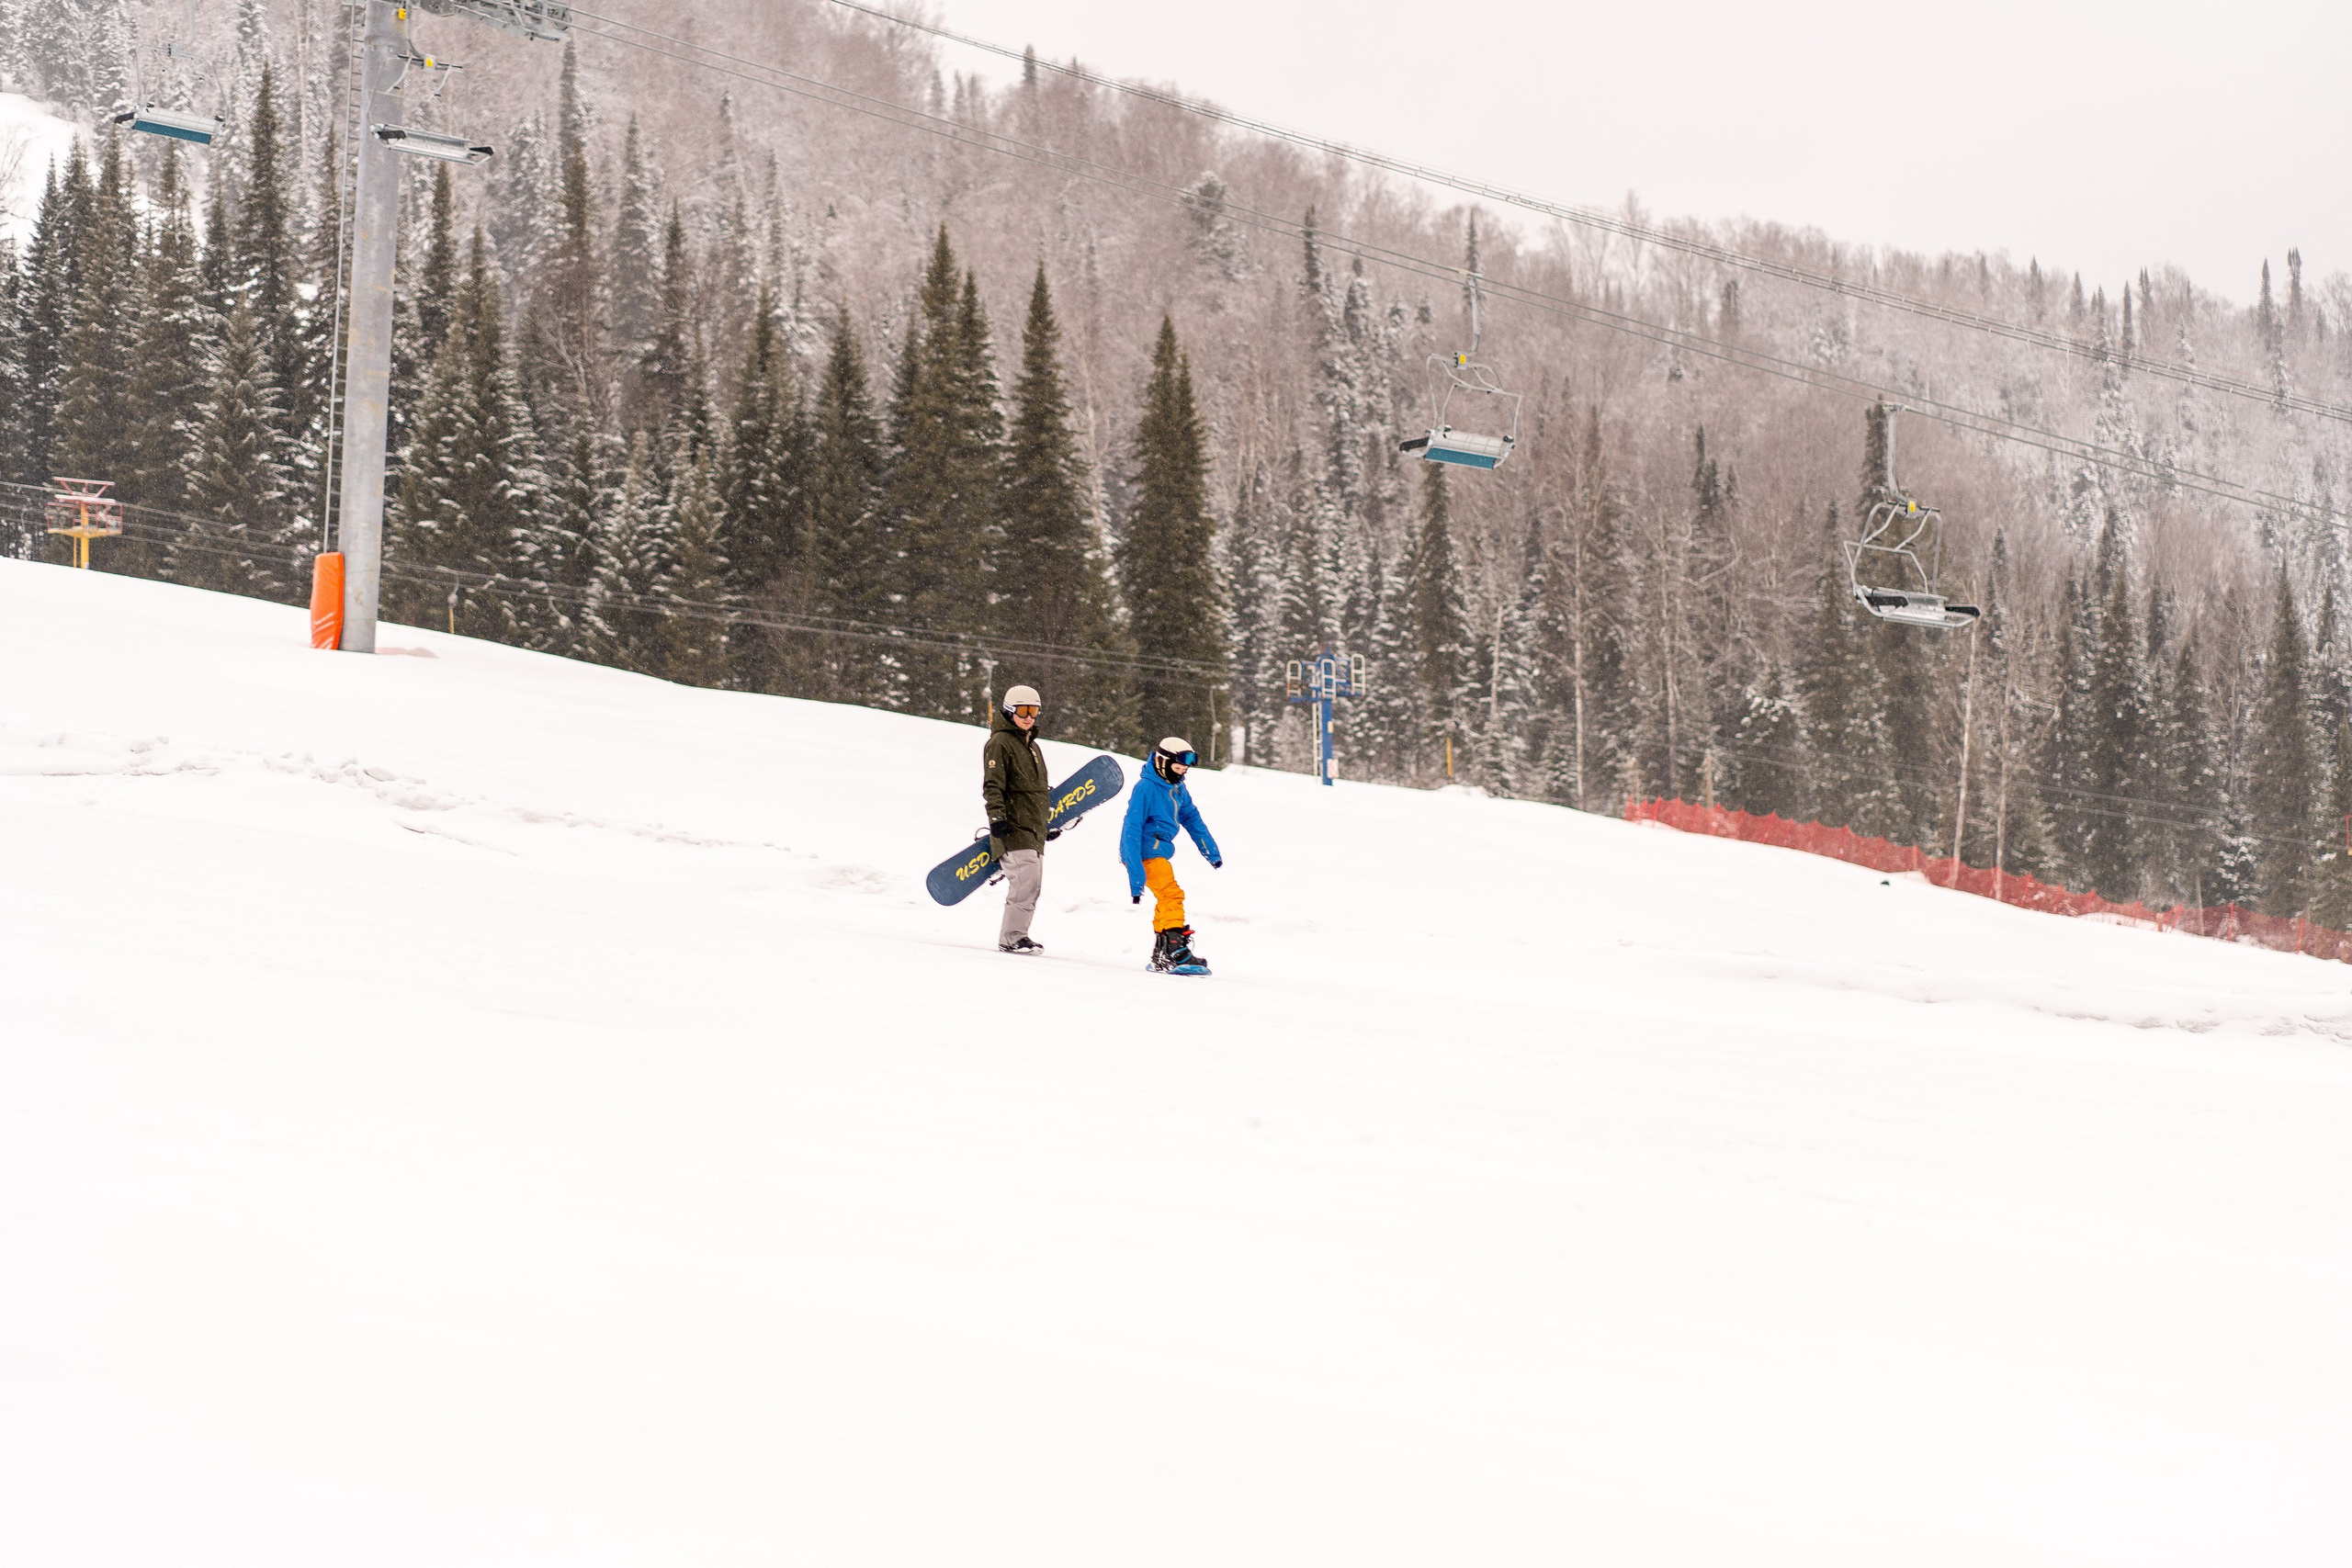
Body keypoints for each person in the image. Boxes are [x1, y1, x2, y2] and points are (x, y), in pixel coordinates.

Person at [1119, 736, 1223, 972]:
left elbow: (1193, 819)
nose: (1181, 773)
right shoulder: (1146, 788)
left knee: (1165, 899)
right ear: (1162, 762)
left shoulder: (1177, 788)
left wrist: (1211, 852)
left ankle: (1162, 952)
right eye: (1177, 768)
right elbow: (1131, 829)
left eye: (1184, 769)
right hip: (1143, 852)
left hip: (1158, 852)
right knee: (1172, 894)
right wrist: (1136, 880)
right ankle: (1176, 951)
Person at [982, 684, 1057, 954]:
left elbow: (1035, 793)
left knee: (1032, 885)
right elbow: (993, 785)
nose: (1029, 717)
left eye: (1034, 711)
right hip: (1013, 828)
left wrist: (1044, 826)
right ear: (1009, 711)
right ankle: (1011, 938)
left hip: (1032, 829)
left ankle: (1018, 935)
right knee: (1026, 882)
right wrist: (997, 818)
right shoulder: (1000, 743)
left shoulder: (1032, 746)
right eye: (1023, 711)